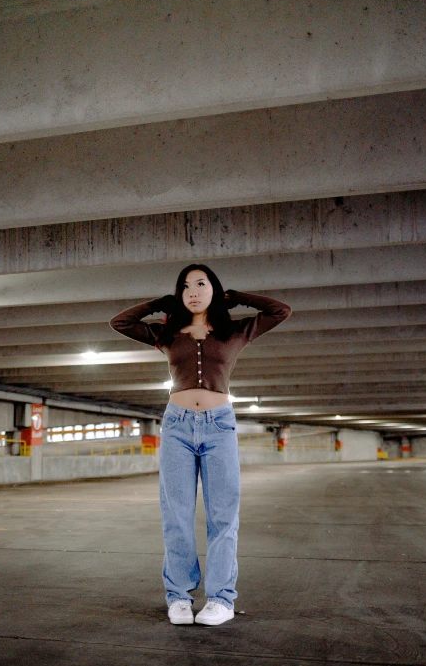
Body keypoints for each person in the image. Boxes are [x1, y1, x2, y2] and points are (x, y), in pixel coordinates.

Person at [110, 264, 291, 626]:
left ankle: (221, 599)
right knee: (176, 516)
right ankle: (178, 597)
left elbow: (279, 311)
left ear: (215, 290)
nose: (193, 291)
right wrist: (158, 304)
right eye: (185, 286)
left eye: (201, 284)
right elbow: (121, 323)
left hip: (219, 427)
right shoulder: (168, 333)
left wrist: (237, 298)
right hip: (177, 426)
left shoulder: (237, 330)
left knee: (223, 516)